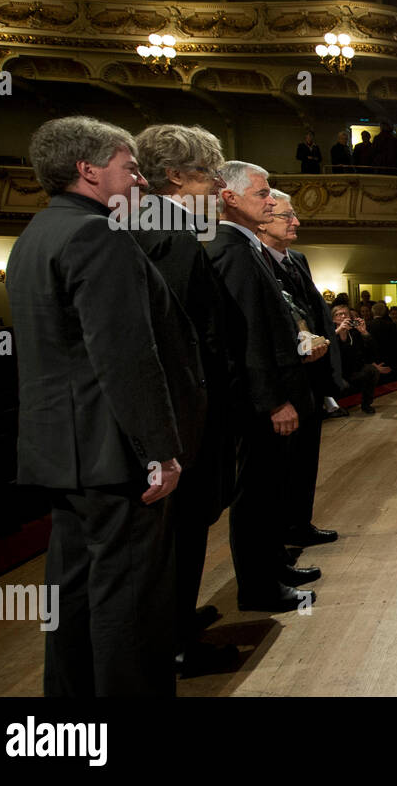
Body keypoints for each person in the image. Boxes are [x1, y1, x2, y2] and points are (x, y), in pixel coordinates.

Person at [7, 116, 193, 696]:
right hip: (114, 451)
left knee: (73, 594)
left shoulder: (37, 232)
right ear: (88, 170)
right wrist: (159, 450)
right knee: (130, 600)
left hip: (62, 450)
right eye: (129, 166)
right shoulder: (99, 235)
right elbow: (125, 357)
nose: (140, 177)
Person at [130, 123, 238, 675]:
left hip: (169, 410)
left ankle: (176, 621)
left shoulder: (140, 223)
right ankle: (175, 642)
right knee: (183, 529)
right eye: (209, 175)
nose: (217, 187)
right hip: (183, 413)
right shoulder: (168, 230)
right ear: (174, 175)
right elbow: (178, 335)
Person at [206, 160, 323, 612]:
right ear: (229, 198)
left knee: (271, 491)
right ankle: (258, 587)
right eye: (262, 193)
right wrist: (275, 401)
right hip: (260, 402)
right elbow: (248, 334)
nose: (272, 200)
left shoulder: (245, 247)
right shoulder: (231, 250)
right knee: (255, 497)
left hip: (273, 392)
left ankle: (272, 566)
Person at [258, 189, 342, 546]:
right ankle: (281, 536)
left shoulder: (299, 259)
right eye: (286, 216)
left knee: (307, 458)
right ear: (262, 220)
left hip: (313, 375)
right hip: (285, 379)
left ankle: (300, 524)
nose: (296, 222)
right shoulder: (255, 261)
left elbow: (315, 311)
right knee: (280, 468)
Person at [332, 304, 390, 413]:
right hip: (335, 372)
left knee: (371, 371)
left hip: (353, 369)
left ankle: (366, 404)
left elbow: (372, 350)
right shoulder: (330, 333)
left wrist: (364, 332)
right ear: (334, 319)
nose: (343, 316)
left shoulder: (354, 333)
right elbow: (325, 344)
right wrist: (339, 331)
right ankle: (334, 409)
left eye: (346, 314)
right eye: (339, 314)